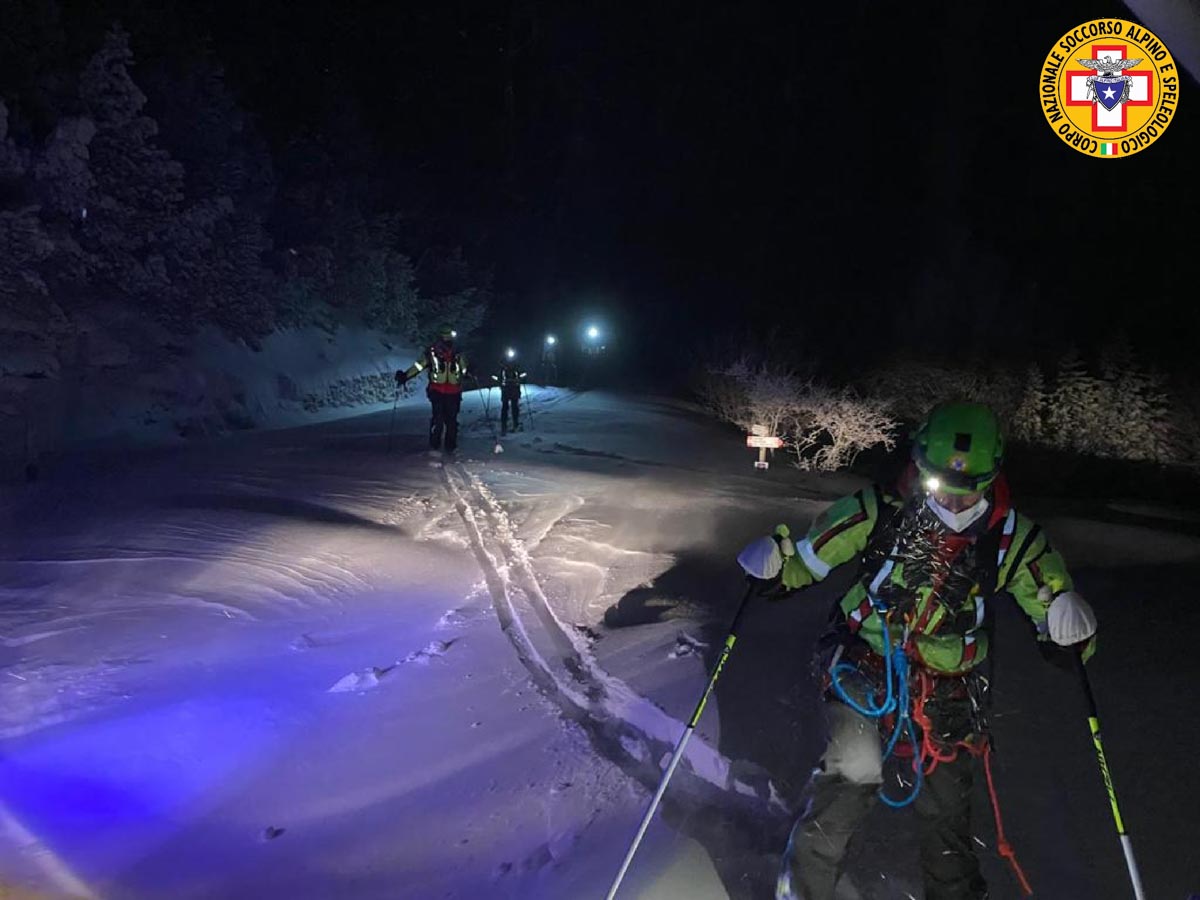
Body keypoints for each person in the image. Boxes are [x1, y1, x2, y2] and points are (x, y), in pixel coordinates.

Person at [737, 401, 1098, 900]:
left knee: (946, 807)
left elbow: (1050, 603)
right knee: (854, 771)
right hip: (863, 663)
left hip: (951, 684)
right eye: (939, 484)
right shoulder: (877, 511)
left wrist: (1065, 628)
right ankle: (802, 889)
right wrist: (776, 567)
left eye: (969, 489)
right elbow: (808, 559)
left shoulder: (1013, 540)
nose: (952, 501)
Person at [396, 324, 469, 453]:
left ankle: (448, 447)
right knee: (441, 420)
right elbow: (419, 366)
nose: (447, 339)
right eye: (446, 336)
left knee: (450, 421)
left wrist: (470, 370)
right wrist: (405, 376)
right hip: (438, 391)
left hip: (452, 392)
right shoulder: (432, 352)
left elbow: (464, 369)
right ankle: (438, 446)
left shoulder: (457, 353)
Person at [492, 354, 526, 435]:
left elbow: (496, 377)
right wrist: (521, 379)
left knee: (507, 407)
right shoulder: (512, 368)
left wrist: (498, 383)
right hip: (512, 389)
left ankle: (506, 425)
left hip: (508, 390)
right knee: (513, 407)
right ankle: (512, 424)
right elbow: (523, 374)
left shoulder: (504, 368)